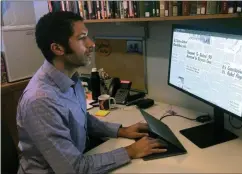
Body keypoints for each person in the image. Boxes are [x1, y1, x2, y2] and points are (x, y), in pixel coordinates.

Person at [16, 11, 166, 174]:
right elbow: (75, 169)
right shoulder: (40, 102)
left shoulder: (71, 76)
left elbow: (80, 119)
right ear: (58, 48)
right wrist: (131, 151)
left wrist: (121, 131)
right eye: (82, 38)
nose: (91, 44)